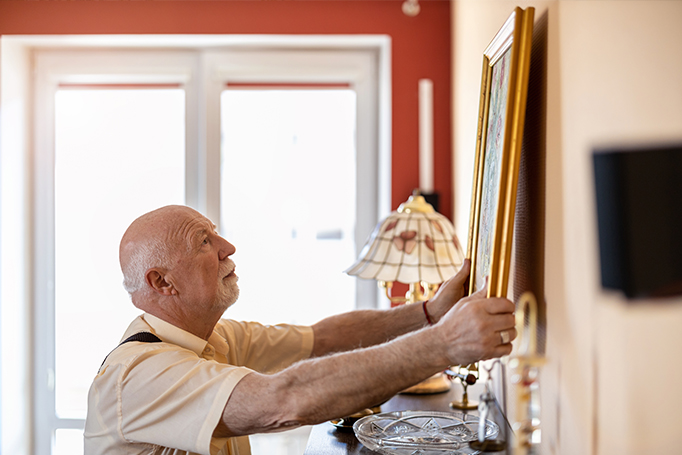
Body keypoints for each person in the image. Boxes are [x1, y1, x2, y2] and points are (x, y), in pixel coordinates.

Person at [84, 205, 517, 455]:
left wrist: (429, 313)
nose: (227, 248)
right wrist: (443, 344)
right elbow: (282, 401)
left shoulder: (216, 339)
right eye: (203, 241)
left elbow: (323, 339)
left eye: (216, 235)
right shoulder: (136, 375)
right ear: (162, 283)